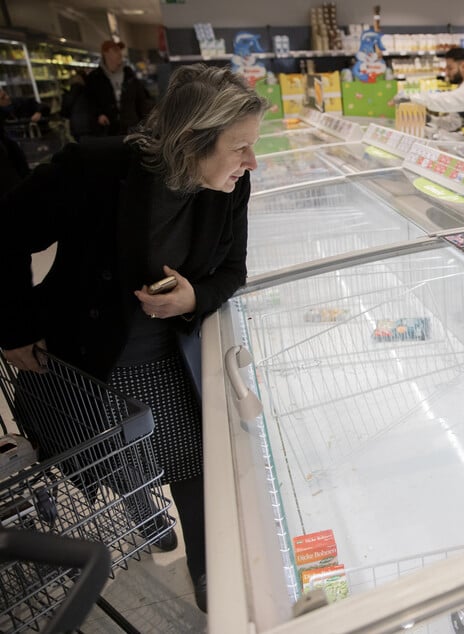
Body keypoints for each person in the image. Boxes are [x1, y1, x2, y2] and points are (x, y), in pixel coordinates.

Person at [0, 64, 267, 613]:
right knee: (117, 460)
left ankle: (207, 574)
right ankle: (148, 520)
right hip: (85, 354)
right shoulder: (95, 169)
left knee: (191, 463)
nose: (251, 162)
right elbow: (4, 235)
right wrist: (15, 327)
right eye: (239, 147)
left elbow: (232, 271)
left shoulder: (230, 189)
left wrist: (193, 298)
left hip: (166, 357)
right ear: (193, 140)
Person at [85, 39, 152, 136]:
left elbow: (141, 99)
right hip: (108, 130)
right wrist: (98, 115)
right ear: (106, 53)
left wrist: (146, 121)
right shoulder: (95, 78)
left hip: (132, 127)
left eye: (120, 50)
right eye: (115, 50)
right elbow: (90, 101)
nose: (120, 53)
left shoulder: (129, 74)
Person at [60, 71, 94, 141]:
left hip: (79, 126)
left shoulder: (74, 90)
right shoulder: (89, 89)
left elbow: (65, 110)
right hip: (91, 124)